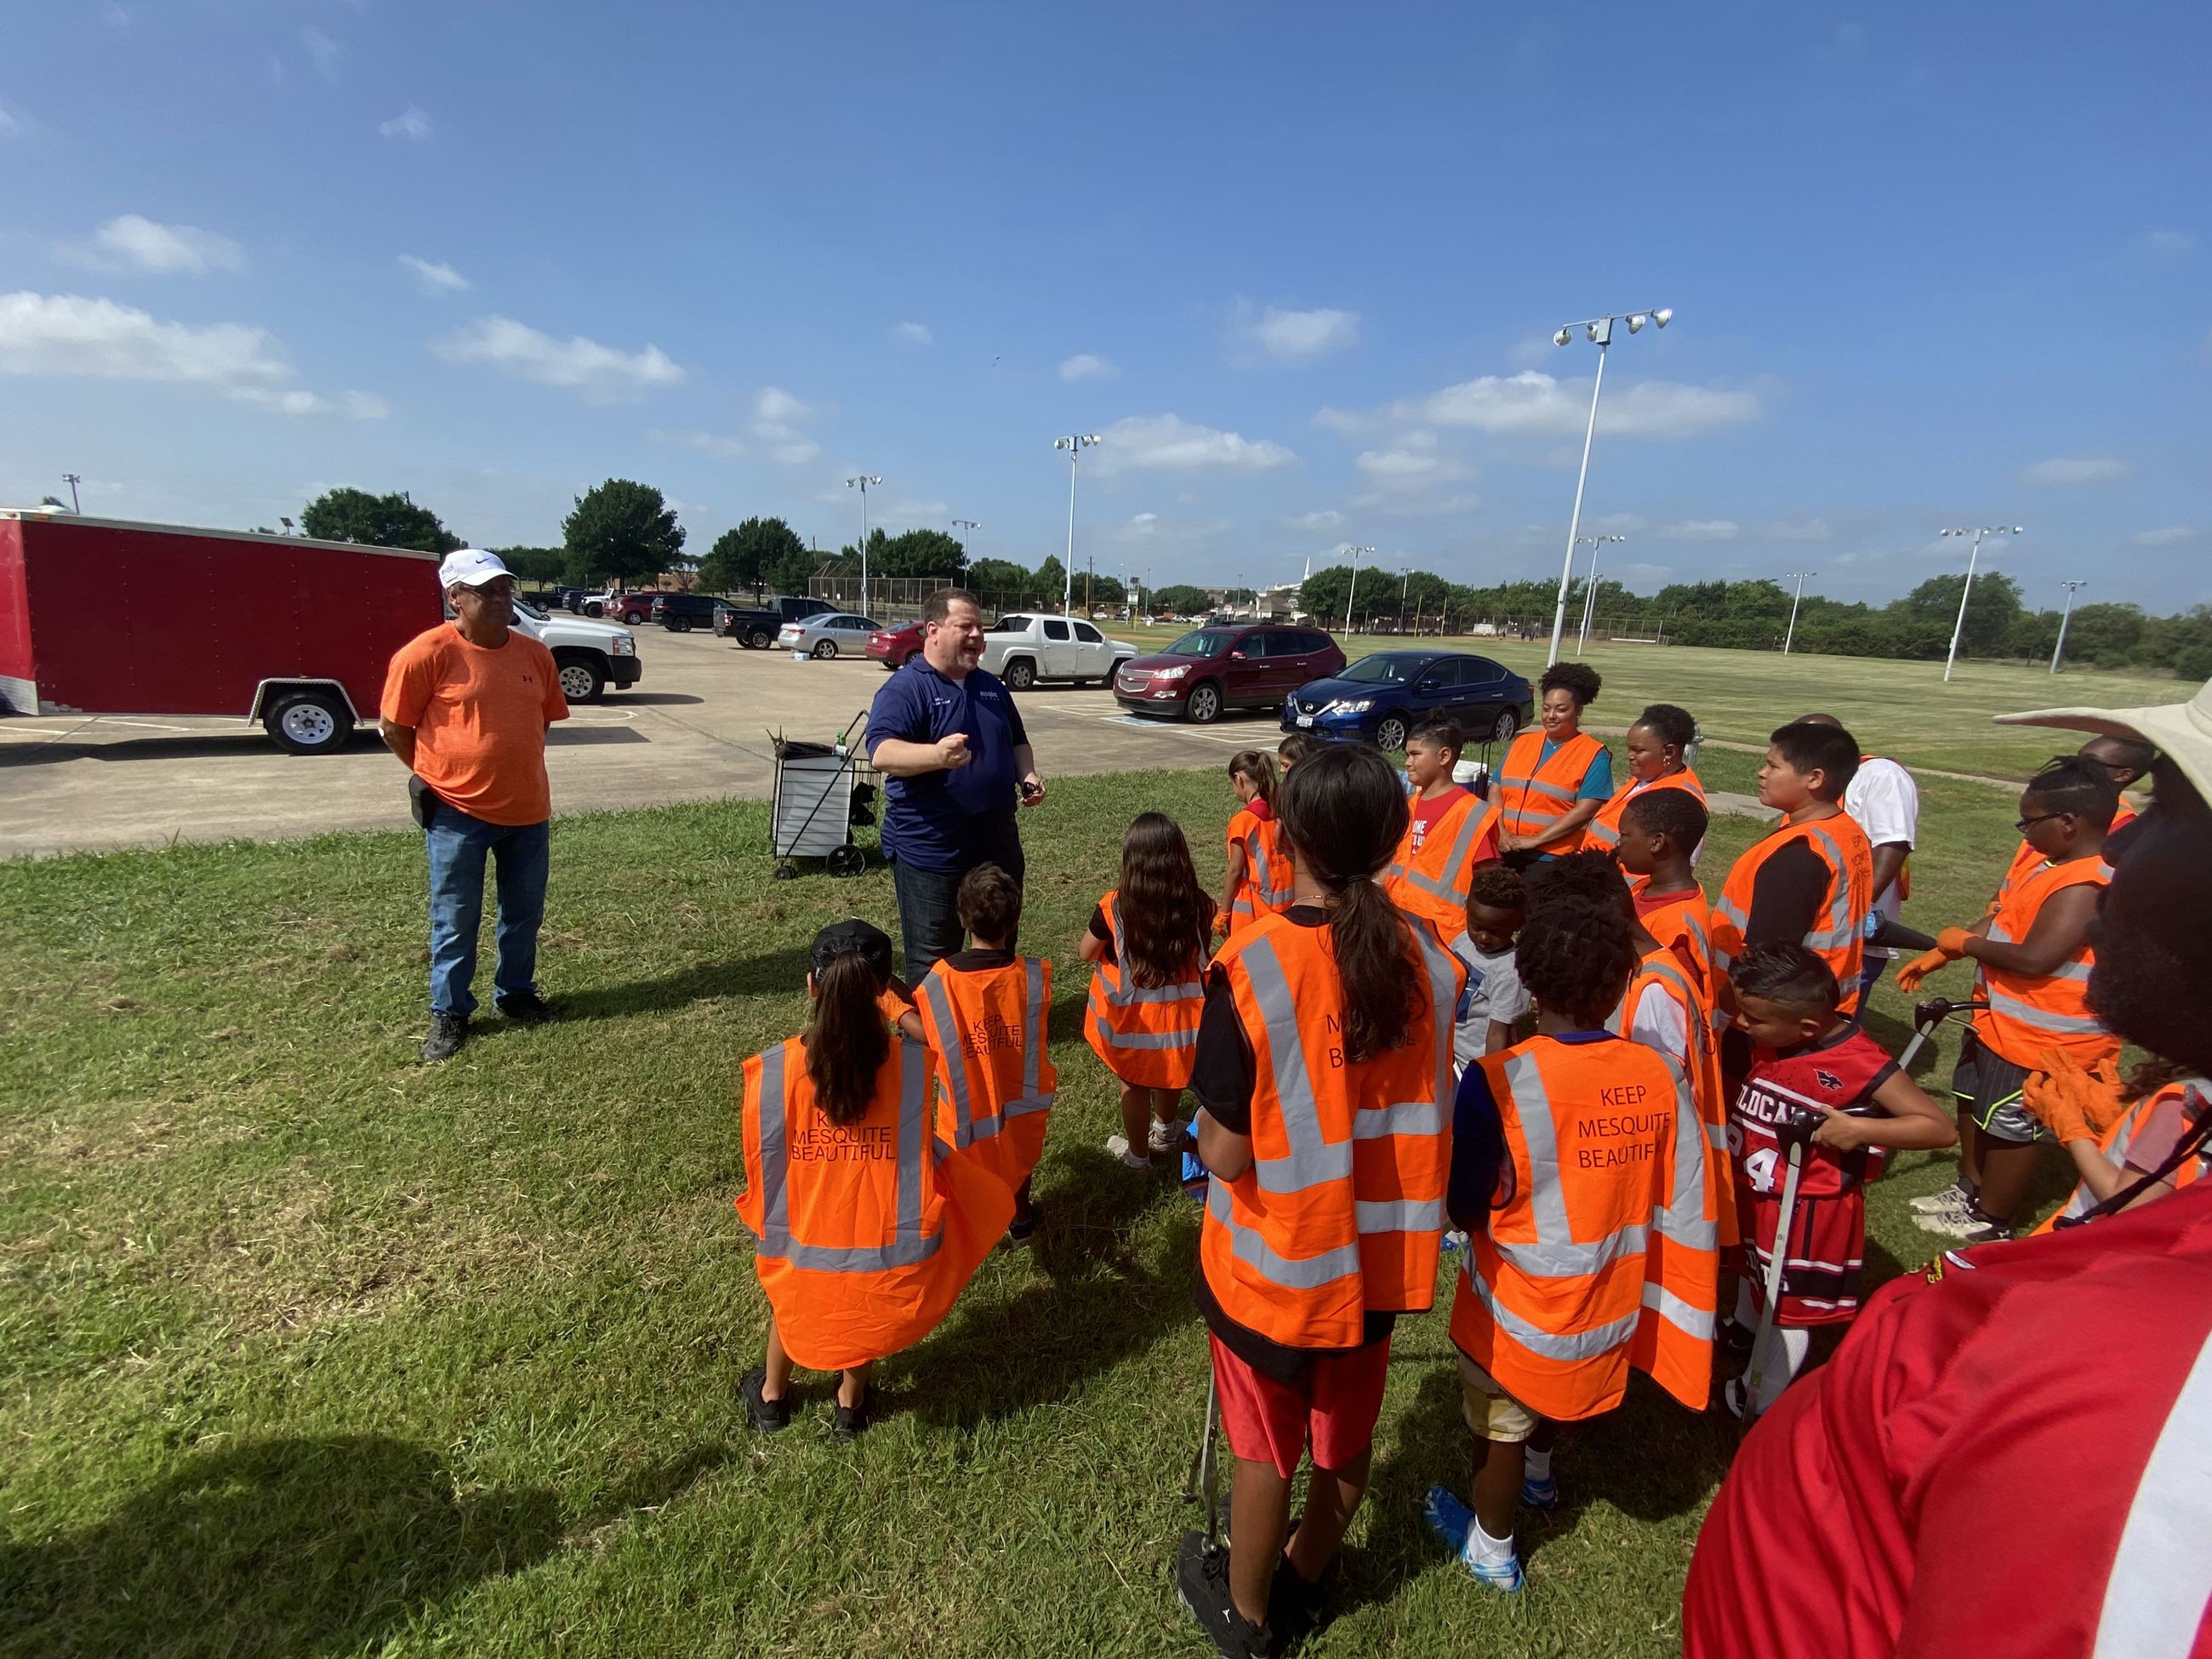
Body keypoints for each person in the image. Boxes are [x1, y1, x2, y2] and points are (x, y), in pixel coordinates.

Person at [1684, 676, 2212, 1659]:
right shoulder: (2175, 1164)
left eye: (2166, 808)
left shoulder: (2167, 1392)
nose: (2120, 846)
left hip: (1829, 1219)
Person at [1176, 744, 1463, 1656]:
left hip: (1277, 1273)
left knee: (1265, 1449)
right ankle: (1304, 1573)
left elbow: (1225, 1154)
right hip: (1380, 1268)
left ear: (1287, 835)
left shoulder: (1254, 964)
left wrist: (1203, 1133)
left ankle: (1247, 1615)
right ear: (1392, 839)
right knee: (1345, 1438)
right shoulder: (1431, 958)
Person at [1425, 895, 1717, 1593]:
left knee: (1500, 1427)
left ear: (1527, 981)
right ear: (1619, 987)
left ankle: (1492, 1549)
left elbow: (1465, 1205)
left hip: (1519, 1309)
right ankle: (1540, 1476)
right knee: (1551, 1401)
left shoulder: (1498, 1080)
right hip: (1608, 1300)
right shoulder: (1660, 1075)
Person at [736, 920, 1016, 1440]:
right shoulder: (910, 1071)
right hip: (880, 1250)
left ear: (812, 986)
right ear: (884, 991)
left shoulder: (773, 1072)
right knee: (862, 1310)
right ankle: (851, 1403)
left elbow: (764, 1166)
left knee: (791, 1304)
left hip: (798, 1245)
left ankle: (772, 1396)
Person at [1720, 944, 1954, 1418]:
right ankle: (1744, 1327)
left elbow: (1938, 1128)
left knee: (1790, 1306)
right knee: (1754, 1268)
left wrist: (1859, 1129)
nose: (1741, 1024)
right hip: (1760, 1188)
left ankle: (1759, 1397)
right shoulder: (1777, 1033)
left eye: (1753, 1018)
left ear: (1808, 1027)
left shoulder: (1858, 1061)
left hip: (1809, 1207)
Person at [1897, 755, 2120, 1243]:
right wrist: (1945, 950)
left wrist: (1965, 944)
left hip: (2043, 1037)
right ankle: (1970, 1189)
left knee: (2009, 1122)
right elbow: (2007, 917)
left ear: (2068, 822)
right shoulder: (2051, 866)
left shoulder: (2086, 883)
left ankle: (1993, 1217)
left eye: (2030, 822)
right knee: (1973, 1101)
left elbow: (2038, 957)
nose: (2025, 833)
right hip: (2000, 1021)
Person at [379, 549, 569, 1063]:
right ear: (455, 597)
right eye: (486, 591)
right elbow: (394, 728)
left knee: (523, 913)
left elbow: (541, 722)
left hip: (528, 810)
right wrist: (436, 774)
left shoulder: (535, 655)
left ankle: (516, 994)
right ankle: (450, 1012)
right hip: (455, 813)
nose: (500, 598)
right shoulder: (425, 654)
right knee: (455, 917)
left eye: (504, 588)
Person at [867, 590, 1046, 983]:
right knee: (934, 962)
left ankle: (992, 1017)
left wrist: (1028, 775)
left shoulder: (991, 687)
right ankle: (935, 1025)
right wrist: (936, 756)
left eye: (980, 628)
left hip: (998, 849)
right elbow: (881, 752)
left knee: (999, 949)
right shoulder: (906, 688)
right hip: (933, 854)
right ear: (934, 630)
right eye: (966, 626)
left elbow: (1018, 740)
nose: (978, 635)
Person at [1710, 720, 1874, 1069]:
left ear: (1814, 778)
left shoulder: (1799, 856)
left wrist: (1722, 1012)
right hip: (1815, 1008)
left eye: (1773, 765)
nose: (1762, 773)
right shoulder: (1846, 832)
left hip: (1768, 1020)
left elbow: (1764, 956)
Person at [911, 864, 1056, 1246]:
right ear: (1014, 920)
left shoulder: (939, 982)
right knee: (1017, 1161)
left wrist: (897, 1012)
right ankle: (1020, 1221)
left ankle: (975, 1233)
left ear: (961, 919)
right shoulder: (1032, 977)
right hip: (1019, 1106)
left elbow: (929, 1035)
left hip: (965, 1116)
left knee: (967, 1178)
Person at [1083, 812, 1214, 1171]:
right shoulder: (1200, 905)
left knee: (1134, 1084)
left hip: (1133, 1023)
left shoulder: (1114, 907)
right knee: (1170, 1070)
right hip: (1182, 1023)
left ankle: (1138, 1157)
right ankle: (1166, 1131)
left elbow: (1086, 952)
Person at [1799, 712, 1919, 1006]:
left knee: (1831, 1013)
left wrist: (1852, 915)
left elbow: (1893, 844)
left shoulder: (1880, 775)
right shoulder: (1817, 782)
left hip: (1852, 940)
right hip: (1815, 931)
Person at [2025, 1055, 2209, 1231]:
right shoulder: (2200, 1094)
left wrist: (2071, 1130)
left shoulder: (2177, 1103)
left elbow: (2126, 1203)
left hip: (2096, 1241)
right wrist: (2116, 1125)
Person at [1382, 716, 1501, 940]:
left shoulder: (1472, 814)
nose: (1407, 762)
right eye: (1407, 754)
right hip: (1397, 927)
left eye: (1415, 754)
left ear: (1444, 756)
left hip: (1443, 937)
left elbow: (1489, 885)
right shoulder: (1409, 806)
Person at [1494, 662, 1613, 866]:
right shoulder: (1522, 743)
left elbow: (1586, 809)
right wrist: (1500, 831)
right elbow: (1496, 787)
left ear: (1579, 711)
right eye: (1546, 709)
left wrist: (1537, 839)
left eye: (1561, 710)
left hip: (1552, 858)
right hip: (1506, 848)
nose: (1551, 716)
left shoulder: (1594, 754)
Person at [1616, 789, 1716, 1000]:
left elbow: (1672, 1006)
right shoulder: (1643, 887)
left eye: (1624, 835)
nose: (1617, 844)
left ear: (1656, 843)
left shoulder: (1680, 932)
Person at [1585, 703, 1704, 870]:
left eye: (1638, 751)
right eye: (1629, 749)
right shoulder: (1646, 777)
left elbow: (1679, 867)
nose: (1630, 756)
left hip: (1625, 885)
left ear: (1669, 752)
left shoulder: (1682, 801)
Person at [1450, 864, 1531, 1069]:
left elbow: (1498, 1033)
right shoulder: (1462, 942)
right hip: (1446, 1050)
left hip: (1471, 1063)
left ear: (1518, 924)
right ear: (1467, 909)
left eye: (1496, 931)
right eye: (1477, 927)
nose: (1484, 938)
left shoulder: (1509, 971)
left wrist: (1488, 1076)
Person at [1219, 751, 1292, 938]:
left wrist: (1223, 912)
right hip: (1289, 907)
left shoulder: (1243, 822)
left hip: (1256, 914)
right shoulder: (1283, 810)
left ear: (1239, 779)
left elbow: (1235, 870)